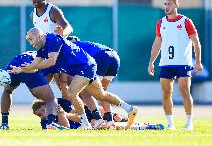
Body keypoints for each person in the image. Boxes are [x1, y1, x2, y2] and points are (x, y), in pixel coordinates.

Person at [9, 27, 138, 130]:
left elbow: (51, 61)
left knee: (72, 93)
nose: (30, 43)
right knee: (101, 95)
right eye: (28, 41)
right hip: (85, 66)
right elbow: (35, 65)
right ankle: (129, 109)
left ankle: (85, 123)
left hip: (84, 66)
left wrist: (30, 67)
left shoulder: (52, 39)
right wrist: (20, 70)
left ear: (39, 36)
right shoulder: (41, 49)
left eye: (31, 39)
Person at [148, 0, 203, 131]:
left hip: (183, 62)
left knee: (184, 91)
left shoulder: (185, 21)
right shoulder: (161, 23)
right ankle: (170, 123)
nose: (166, 6)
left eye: (169, 4)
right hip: (166, 63)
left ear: (176, 5)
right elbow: (157, 42)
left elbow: (196, 42)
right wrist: (151, 62)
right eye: (165, 4)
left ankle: (189, 123)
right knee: (166, 92)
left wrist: (198, 62)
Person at [0, 51, 67, 130]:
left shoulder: (38, 52)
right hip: (28, 65)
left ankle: (4, 124)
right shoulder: (54, 59)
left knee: (7, 91)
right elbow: (59, 81)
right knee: (50, 99)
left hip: (13, 65)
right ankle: (51, 123)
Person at [66, 36, 120, 128]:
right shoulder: (86, 44)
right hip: (114, 57)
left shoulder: (72, 47)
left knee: (86, 92)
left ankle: (98, 119)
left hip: (100, 57)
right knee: (102, 93)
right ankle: (110, 121)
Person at [32, 98, 164, 130]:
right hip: (84, 127)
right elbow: (66, 128)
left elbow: (78, 117)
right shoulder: (46, 122)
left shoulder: (60, 103)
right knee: (99, 124)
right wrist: (61, 115)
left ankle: (142, 124)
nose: (43, 114)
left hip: (86, 121)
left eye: (43, 110)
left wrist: (65, 113)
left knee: (110, 115)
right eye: (40, 114)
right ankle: (145, 127)